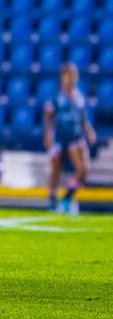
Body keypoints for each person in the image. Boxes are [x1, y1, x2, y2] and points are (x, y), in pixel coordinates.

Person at [44, 62, 97, 215]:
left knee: (83, 169)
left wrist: (89, 130)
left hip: (75, 137)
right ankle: (52, 199)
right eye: (68, 76)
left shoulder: (79, 97)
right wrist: (48, 134)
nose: (71, 79)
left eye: (73, 76)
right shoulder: (57, 97)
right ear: (62, 78)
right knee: (55, 168)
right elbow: (48, 115)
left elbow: (82, 118)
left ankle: (67, 196)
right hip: (60, 137)